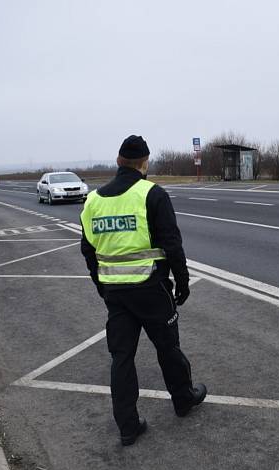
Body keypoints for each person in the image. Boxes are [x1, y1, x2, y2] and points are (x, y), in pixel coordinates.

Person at [80, 135, 207, 446]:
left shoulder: (94, 200)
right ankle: (182, 399)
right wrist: (183, 279)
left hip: (115, 293)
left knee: (121, 357)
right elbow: (172, 243)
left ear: (118, 161)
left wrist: (101, 285)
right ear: (144, 163)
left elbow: (87, 250)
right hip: (151, 290)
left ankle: (127, 425)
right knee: (167, 348)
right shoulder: (152, 194)